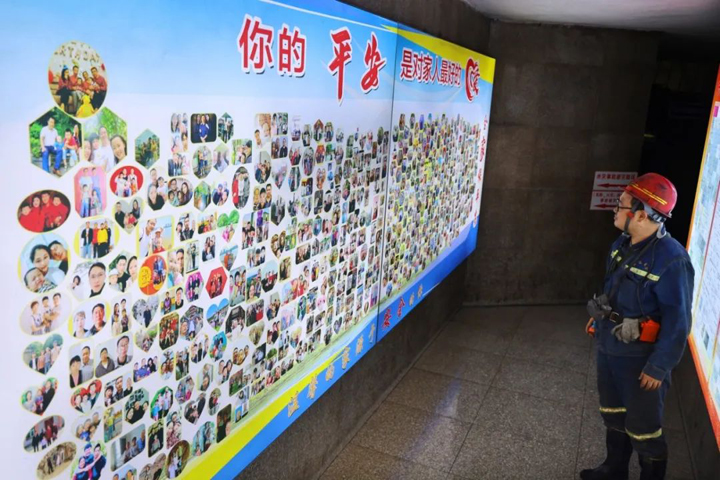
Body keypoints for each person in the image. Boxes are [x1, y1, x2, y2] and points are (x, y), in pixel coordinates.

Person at [582, 174, 694, 480]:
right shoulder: (623, 243)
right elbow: (613, 287)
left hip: (640, 360)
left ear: (642, 215)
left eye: (621, 205)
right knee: (613, 413)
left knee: (644, 429)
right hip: (611, 347)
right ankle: (614, 470)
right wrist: (600, 315)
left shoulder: (673, 261)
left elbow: (679, 322)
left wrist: (658, 367)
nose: (615, 209)